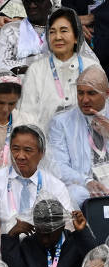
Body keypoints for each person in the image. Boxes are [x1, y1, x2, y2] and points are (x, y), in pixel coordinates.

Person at [0, 125, 73, 246]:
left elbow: (66, 224)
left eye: (28, 150)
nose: (20, 156)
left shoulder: (55, 185)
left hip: (45, 249)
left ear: (41, 153)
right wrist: (5, 249)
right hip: (6, 246)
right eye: (15, 149)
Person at [19, 8, 99, 130]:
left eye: (64, 31)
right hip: (46, 142)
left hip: (87, 141)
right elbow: (26, 116)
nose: (57, 37)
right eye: (52, 32)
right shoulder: (36, 70)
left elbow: (103, 111)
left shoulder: (92, 68)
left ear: (76, 37)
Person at [50, 65, 109, 206]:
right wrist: (86, 181)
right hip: (84, 187)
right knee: (73, 195)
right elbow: (58, 165)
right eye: (80, 93)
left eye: (91, 93)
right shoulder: (61, 122)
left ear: (106, 93)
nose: (84, 99)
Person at [0, 0, 52, 73]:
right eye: (27, 1)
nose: (32, 5)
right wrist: (25, 69)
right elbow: (0, 65)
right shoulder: (10, 30)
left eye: (38, 0)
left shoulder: (61, 29)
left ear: (50, 4)